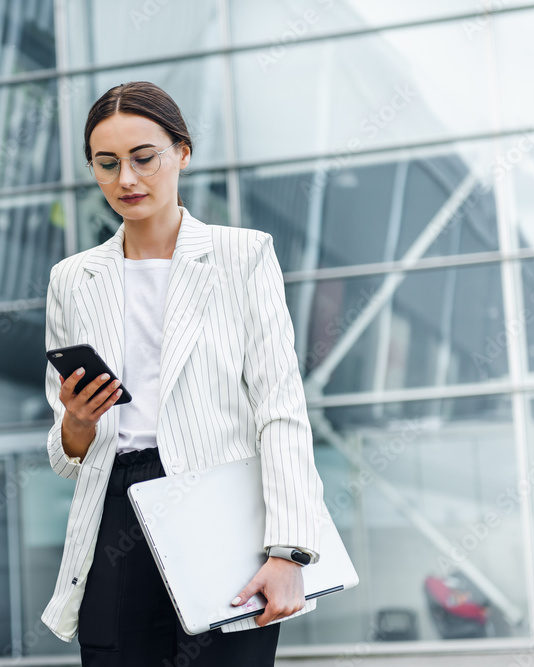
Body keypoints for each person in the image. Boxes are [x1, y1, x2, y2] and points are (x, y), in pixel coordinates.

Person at [40, 81, 327, 666]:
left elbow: (281, 409)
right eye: (108, 163)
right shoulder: (72, 279)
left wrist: (288, 553)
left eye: (144, 158)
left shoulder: (243, 256)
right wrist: (75, 421)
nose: (127, 179)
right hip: (116, 506)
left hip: (220, 509)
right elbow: (66, 453)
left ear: (182, 153)